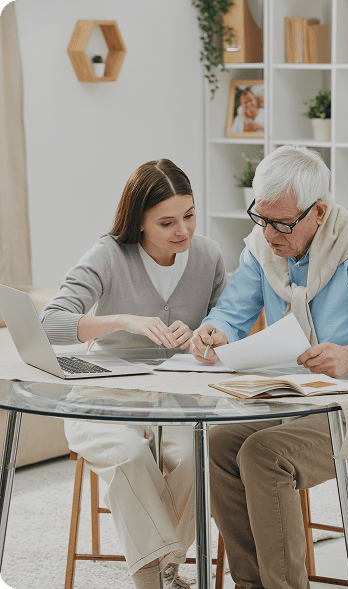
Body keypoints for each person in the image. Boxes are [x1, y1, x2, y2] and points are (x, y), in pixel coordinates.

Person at [190, 145, 348, 589]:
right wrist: (213, 332)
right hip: (301, 404)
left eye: (281, 223)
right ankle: (251, 584)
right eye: (261, 218)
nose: (270, 234)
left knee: (263, 453)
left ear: (319, 211)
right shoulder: (263, 247)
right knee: (218, 443)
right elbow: (230, 316)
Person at [41, 159, 227, 589]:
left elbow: (227, 324)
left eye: (189, 215)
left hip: (180, 395)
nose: (182, 230)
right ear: (139, 222)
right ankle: (156, 578)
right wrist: (121, 320)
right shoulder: (108, 253)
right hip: (104, 391)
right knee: (129, 454)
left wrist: (203, 334)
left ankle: (159, 570)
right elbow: (51, 322)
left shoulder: (209, 256)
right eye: (166, 222)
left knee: (197, 456)